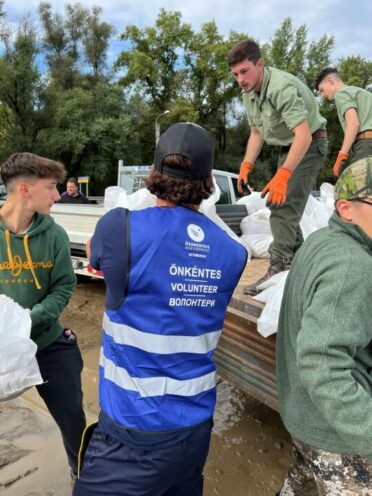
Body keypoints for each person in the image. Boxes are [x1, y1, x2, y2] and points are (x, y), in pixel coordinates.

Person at [73, 122, 248, 496]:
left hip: (133, 432)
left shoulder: (119, 227)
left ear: (152, 173)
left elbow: (95, 259)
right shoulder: (234, 251)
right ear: (209, 182)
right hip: (195, 429)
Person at [276, 157, 372, 495]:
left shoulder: (320, 241)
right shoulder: (354, 266)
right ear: (346, 208)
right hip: (337, 436)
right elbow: (322, 362)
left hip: (302, 415)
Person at [0, 153, 86, 480]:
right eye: (51, 188)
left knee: (75, 423)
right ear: (25, 189)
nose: (57, 196)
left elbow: (64, 285)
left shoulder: (55, 236)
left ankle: (82, 476)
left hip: (48, 342)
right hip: (2, 348)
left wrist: (31, 320)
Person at [228, 40, 328, 295]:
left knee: (282, 207)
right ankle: (302, 261)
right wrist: (246, 164)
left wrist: (283, 175)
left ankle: (279, 267)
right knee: (280, 205)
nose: (240, 79)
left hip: (310, 143)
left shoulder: (280, 87)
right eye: (235, 74)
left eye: (244, 71)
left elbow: (304, 135)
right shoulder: (248, 94)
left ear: (259, 64)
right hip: (290, 147)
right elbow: (255, 132)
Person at [314, 67, 372, 177]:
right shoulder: (362, 93)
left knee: (363, 191)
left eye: (322, 90)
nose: (323, 95)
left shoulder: (341, 94)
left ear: (330, 81)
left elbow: (353, 124)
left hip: (366, 145)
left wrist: (342, 155)